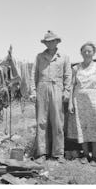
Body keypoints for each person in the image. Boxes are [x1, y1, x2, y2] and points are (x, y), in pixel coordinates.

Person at [30, 31, 72, 163]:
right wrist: (33, 91)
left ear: (57, 42)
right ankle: (42, 153)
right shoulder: (39, 56)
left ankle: (58, 153)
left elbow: (68, 75)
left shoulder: (64, 57)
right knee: (41, 122)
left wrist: (67, 91)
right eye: (48, 41)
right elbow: (33, 74)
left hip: (57, 88)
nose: (50, 43)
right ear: (45, 43)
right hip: (42, 88)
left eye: (53, 41)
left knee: (58, 121)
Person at [67, 42, 96, 166]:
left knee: (95, 126)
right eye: (84, 51)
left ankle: (95, 156)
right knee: (82, 126)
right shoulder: (76, 68)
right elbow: (72, 86)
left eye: (89, 51)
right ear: (81, 53)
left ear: (93, 53)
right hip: (79, 100)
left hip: (93, 100)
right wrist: (70, 102)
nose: (87, 53)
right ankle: (86, 155)